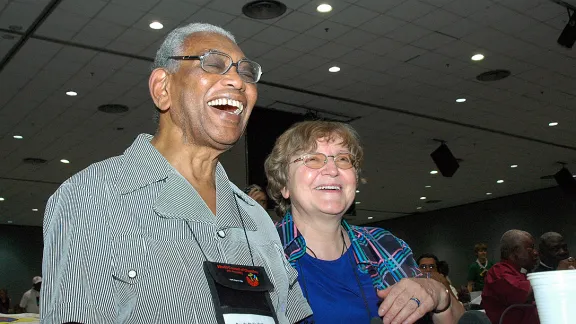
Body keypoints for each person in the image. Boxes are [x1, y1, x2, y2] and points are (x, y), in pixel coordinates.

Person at [41, 23, 312, 324]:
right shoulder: (93, 197)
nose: (237, 80)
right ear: (163, 88)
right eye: (214, 63)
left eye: (246, 72)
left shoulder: (257, 217)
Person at [265, 121, 464, 324]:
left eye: (343, 159)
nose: (332, 170)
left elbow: (457, 318)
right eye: (313, 159)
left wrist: (439, 295)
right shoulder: (258, 252)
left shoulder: (383, 244)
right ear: (284, 184)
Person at [481, 230, 540, 324]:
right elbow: (524, 292)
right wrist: (559, 277)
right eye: (530, 249)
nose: (536, 253)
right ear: (516, 252)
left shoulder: (520, 271)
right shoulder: (498, 271)